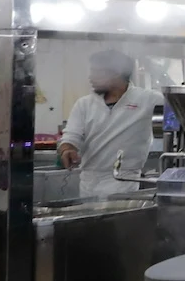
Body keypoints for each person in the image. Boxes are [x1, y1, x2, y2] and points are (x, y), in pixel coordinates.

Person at [58, 49, 155, 197]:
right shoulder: (84, 104)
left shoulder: (148, 100)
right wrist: (67, 149)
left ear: (116, 73)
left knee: (119, 219)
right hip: (88, 182)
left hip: (124, 181)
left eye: (97, 72)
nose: (90, 77)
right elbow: (71, 136)